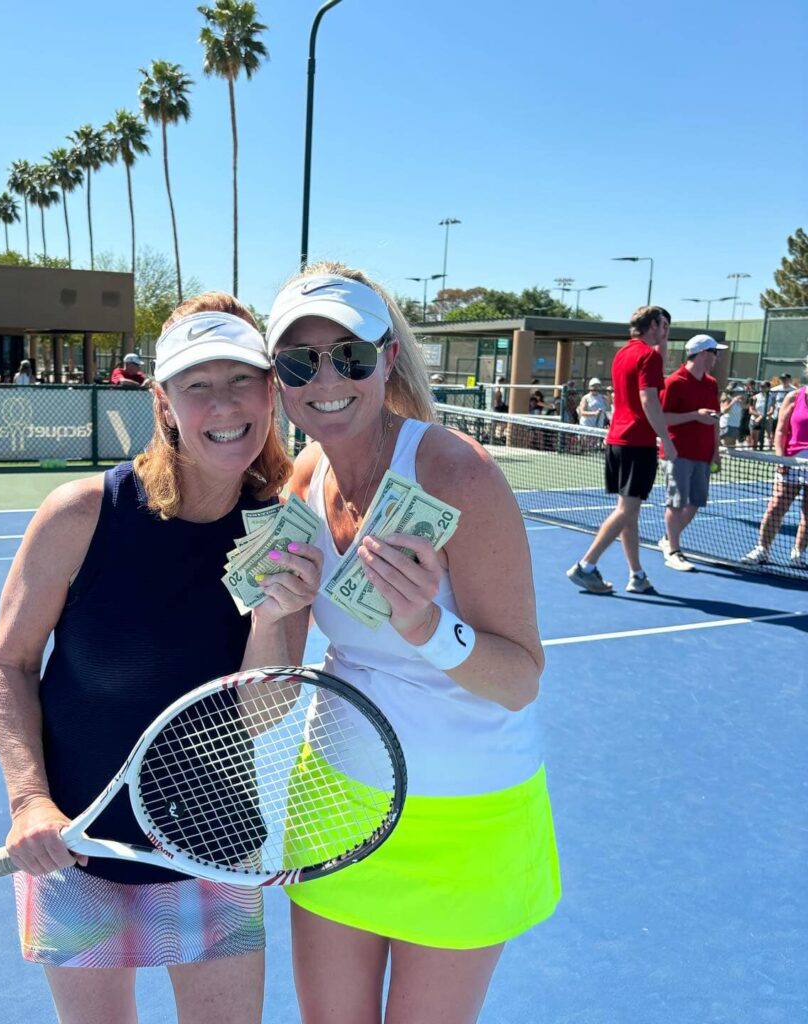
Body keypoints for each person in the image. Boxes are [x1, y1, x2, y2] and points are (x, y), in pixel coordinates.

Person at [0, 292, 322, 1024]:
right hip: (75, 850)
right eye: (198, 385)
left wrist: (272, 613)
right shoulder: (81, 514)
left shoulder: (283, 531)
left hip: (216, 847)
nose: (223, 403)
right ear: (164, 402)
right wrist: (28, 800)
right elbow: (10, 663)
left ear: (270, 393)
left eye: (242, 379)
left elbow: (261, 714)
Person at [265, 264, 560, 1024]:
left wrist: (427, 626)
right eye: (299, 362)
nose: (326, 379)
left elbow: (520, 679)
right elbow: (270, 693)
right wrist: (271, 613)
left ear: (388, 358)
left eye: (351, 355)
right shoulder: (303, 479)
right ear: (279, 378)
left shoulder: (459, 474)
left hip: (466, 820)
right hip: (333, 803)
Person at [566, 305, 677, 594]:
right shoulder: (648, 356)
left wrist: (663, 343)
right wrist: (666, 439)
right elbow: (649, 399)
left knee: (628, 511)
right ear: (653, 325)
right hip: (637, 443)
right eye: (663, 326)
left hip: (617, 441)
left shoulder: (624, 353)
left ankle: (637, 575)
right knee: (627, 511)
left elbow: (653, 374)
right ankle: (586, 566)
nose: (666, 331)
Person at [656, 335, 724, 571]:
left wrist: (716, 450)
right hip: (677, 452)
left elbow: (715, 419)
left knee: (695, 503)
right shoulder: (674, 382)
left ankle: (668, 539)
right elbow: (662, 418)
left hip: (703, 454)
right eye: (715, 352)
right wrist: (695, 415)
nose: (717, 358)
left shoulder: (711, 383)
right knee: (676, 503)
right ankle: (674, 551)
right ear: (704, 353)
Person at [742, 356, 808, 568]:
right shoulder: (794, 396)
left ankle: (798, 554)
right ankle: (762, 550)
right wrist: (781, 459)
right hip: (792, 461)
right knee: (776, 506)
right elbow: (780, 431)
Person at [718, 384, 746, 449]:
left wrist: (741, 401)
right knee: (727, 448)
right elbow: (724, 410)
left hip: (735, 426)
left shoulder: (738, 401)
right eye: (739, 392)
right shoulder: (728, 399)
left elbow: (746, 407)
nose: (741, 394)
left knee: (731, 448)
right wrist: (733, 401)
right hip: (728, 426)